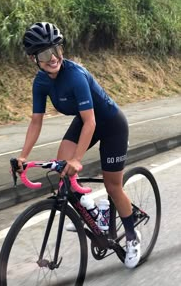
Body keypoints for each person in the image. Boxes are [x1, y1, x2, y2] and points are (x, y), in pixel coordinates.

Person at [18, 22, 141, 269]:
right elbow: (35, 121)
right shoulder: (40, 83)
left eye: (56, 50)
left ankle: (132, 237)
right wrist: (23, 156)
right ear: (34, 58)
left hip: (110, 124)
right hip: (86, 122)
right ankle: (93, 209)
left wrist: (77, 159)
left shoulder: (75, 75)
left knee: (112, 185)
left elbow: (90, 121)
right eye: (44, 53)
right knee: (62, 169)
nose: (53, 58)